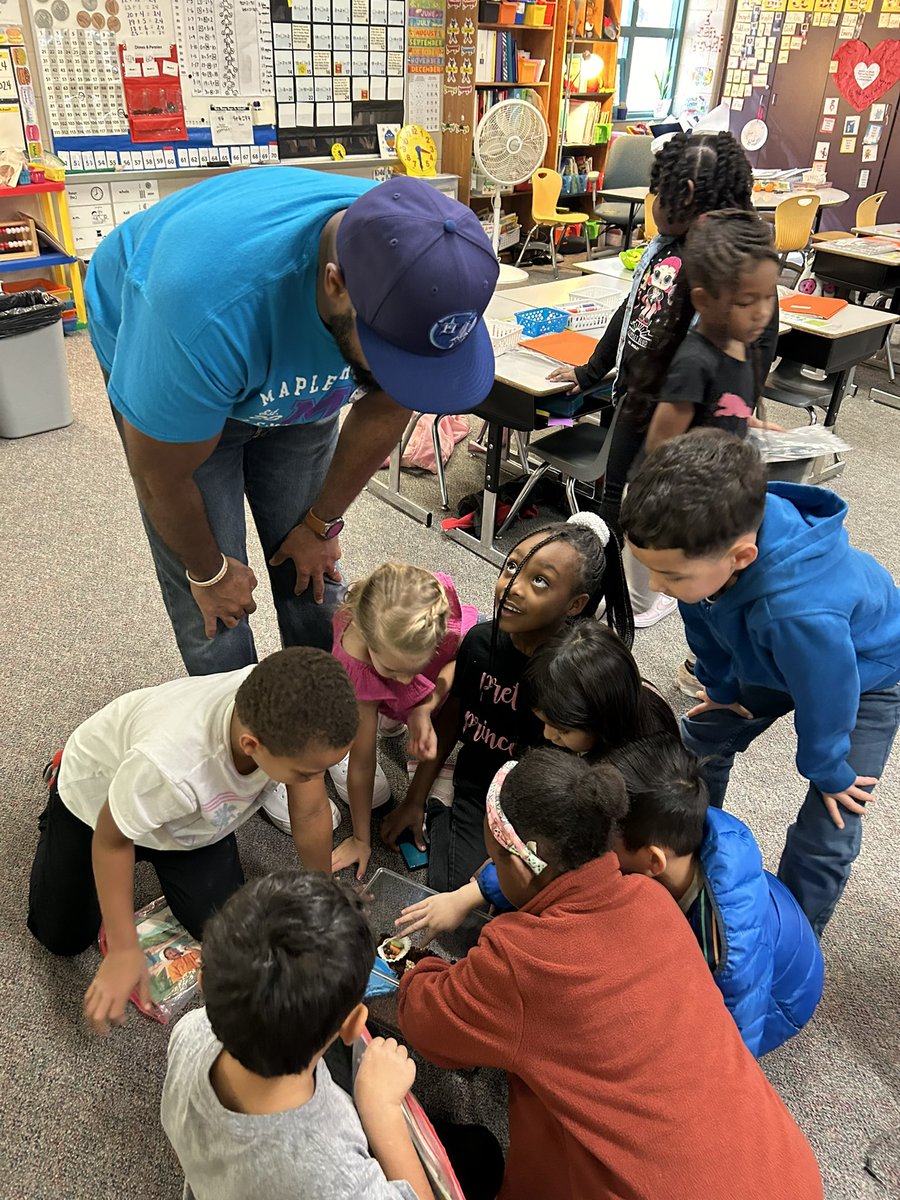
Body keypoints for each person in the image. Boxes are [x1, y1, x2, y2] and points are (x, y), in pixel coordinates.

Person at [85, 171, 499, 680]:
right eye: (392, 355)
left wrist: (320, 524)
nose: (402, 374)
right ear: (336, 283)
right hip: (176, 339)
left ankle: (326, 708)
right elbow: (161, 478)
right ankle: (243, 721)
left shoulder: (416, 272)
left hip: (276, 347)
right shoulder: (197, 312)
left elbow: (392, 402)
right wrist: (210, 570)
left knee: (313, 570)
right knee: (215, 604)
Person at [397, 749, 824, 1200]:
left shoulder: (520, 959)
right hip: (784, 1171)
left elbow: (428, 1024)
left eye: (495, 860)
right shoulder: (652, 896)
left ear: (521, 866)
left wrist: (415, 969)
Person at [621, 429, 900, 935]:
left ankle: (789, 939)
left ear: (742, 557)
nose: (657, 587)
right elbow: (702, 618)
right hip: (777, 654)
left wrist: (828, 767)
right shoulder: (706, 551)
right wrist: (722, 688)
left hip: (865, 673)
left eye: (671, 576)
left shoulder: (797, 612)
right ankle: (687, 864)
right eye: (650, 570)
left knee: (831, 822)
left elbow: (829, 690)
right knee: (701, 738)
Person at [27, 647, 358, 1034]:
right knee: (61, 938)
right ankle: (60, 777)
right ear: (252, 745)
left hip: (192, 822)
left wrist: (322, 894)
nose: (315, 780)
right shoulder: (173, 762)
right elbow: (112, 840)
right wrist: (123, 948)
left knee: (230, 935)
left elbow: (311, 812)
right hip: (97, 807)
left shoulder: (286, 716)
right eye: (306, 773)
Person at [547, 132, 779, 629]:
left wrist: (740, 413)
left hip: (681, 428)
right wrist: (591, 371)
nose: (652, 204)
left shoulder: (729, 267)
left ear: (688, 194)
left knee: (648, 516)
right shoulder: (664, 248)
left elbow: (757, 350)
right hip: (635, 401)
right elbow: (633, 313)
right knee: (615, 505)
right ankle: (605, 603)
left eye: (660, 194)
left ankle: (636, 607)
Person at [381, 512, 633, 892]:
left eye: (540, 581)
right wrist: (414, 799)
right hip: (481, 785)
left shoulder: (575, 673)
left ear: (575, 604)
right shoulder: (481, 643)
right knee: (457, 891)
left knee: (538, 894)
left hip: (544, 800)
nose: (513, 586)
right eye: (512, 566)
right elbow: (453, 719)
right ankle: (439, 807)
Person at [160, 871, 434, 1200]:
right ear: (352, 1026)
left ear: (204, 983)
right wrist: (382, 1109)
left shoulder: (188, 1030)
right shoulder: (336, 1179)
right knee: (482, 1154)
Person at [394, 621, 676, 936]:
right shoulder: (595, 733)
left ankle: (447, 806)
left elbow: (567, 860)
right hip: (552, 821)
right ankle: (449, 809)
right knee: (468, 902)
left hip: (588, 854)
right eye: (543, 721)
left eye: (561, 729)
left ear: (599, 719)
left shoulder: (628, 777)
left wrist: (477, 889)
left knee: (490, 920)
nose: (547, 735)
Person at [610, 733, 824, 1056]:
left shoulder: (726, 952)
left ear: (654, 861)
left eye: (606, 841)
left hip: (783, 997)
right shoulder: (679, 822)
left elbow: (737, 1040)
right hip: (771, 921)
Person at [328, 563, 478, 879]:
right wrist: (359, 838)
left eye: (416, 666)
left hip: (421, 680)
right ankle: (388, 707)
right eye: (395, 670)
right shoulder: (356, 663)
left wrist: (422, 707)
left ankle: (395, 703)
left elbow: (457, 661)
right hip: (368, 685)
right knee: (370, 709)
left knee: (413, 691)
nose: (408, 678)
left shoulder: (430, 608)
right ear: (367, 639)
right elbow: (362, 761)